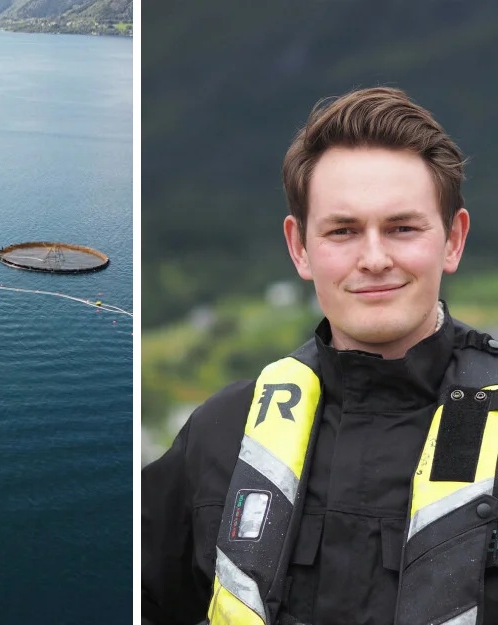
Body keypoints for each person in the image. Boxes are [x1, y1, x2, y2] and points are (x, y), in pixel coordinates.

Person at [140, 86, 498, 625]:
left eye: (402, 228)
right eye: (343, 231)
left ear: (453, 239)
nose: (374, 258)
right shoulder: (219, 436)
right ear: (300, 247)